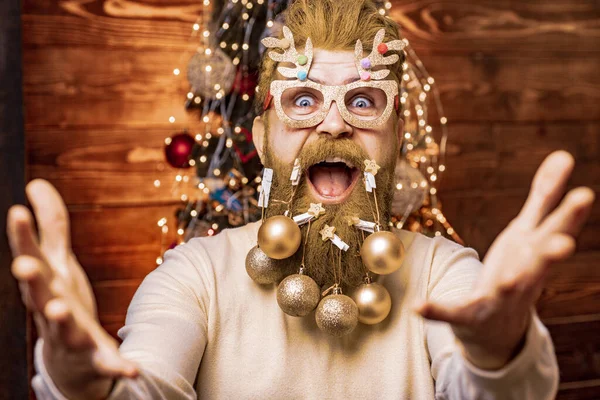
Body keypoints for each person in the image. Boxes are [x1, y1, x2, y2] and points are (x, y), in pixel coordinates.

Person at [7, 0, 595, 399]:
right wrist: (78, 383)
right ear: (263, 138)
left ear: (394, 140)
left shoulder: (446, 274)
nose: (335, 127)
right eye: (304, 100)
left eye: (364, 101)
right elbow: (148, 384)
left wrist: (499, 357)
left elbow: (486, 388)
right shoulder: (195, 276)